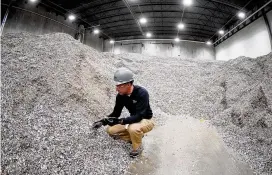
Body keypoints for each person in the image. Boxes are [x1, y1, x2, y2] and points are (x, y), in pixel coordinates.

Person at [92, 67, 155, 157]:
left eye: (119, 86)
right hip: (133, 120)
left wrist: (120, 121)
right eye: (116, 86)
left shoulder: (142, 93)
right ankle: (136, 137)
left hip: (146, 120)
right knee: (111, 131)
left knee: (133, 128)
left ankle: (137, 148)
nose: (117, 89)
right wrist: (103, 121)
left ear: (129, 84)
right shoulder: (120, 96)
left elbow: (139, 116)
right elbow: (116, 113)